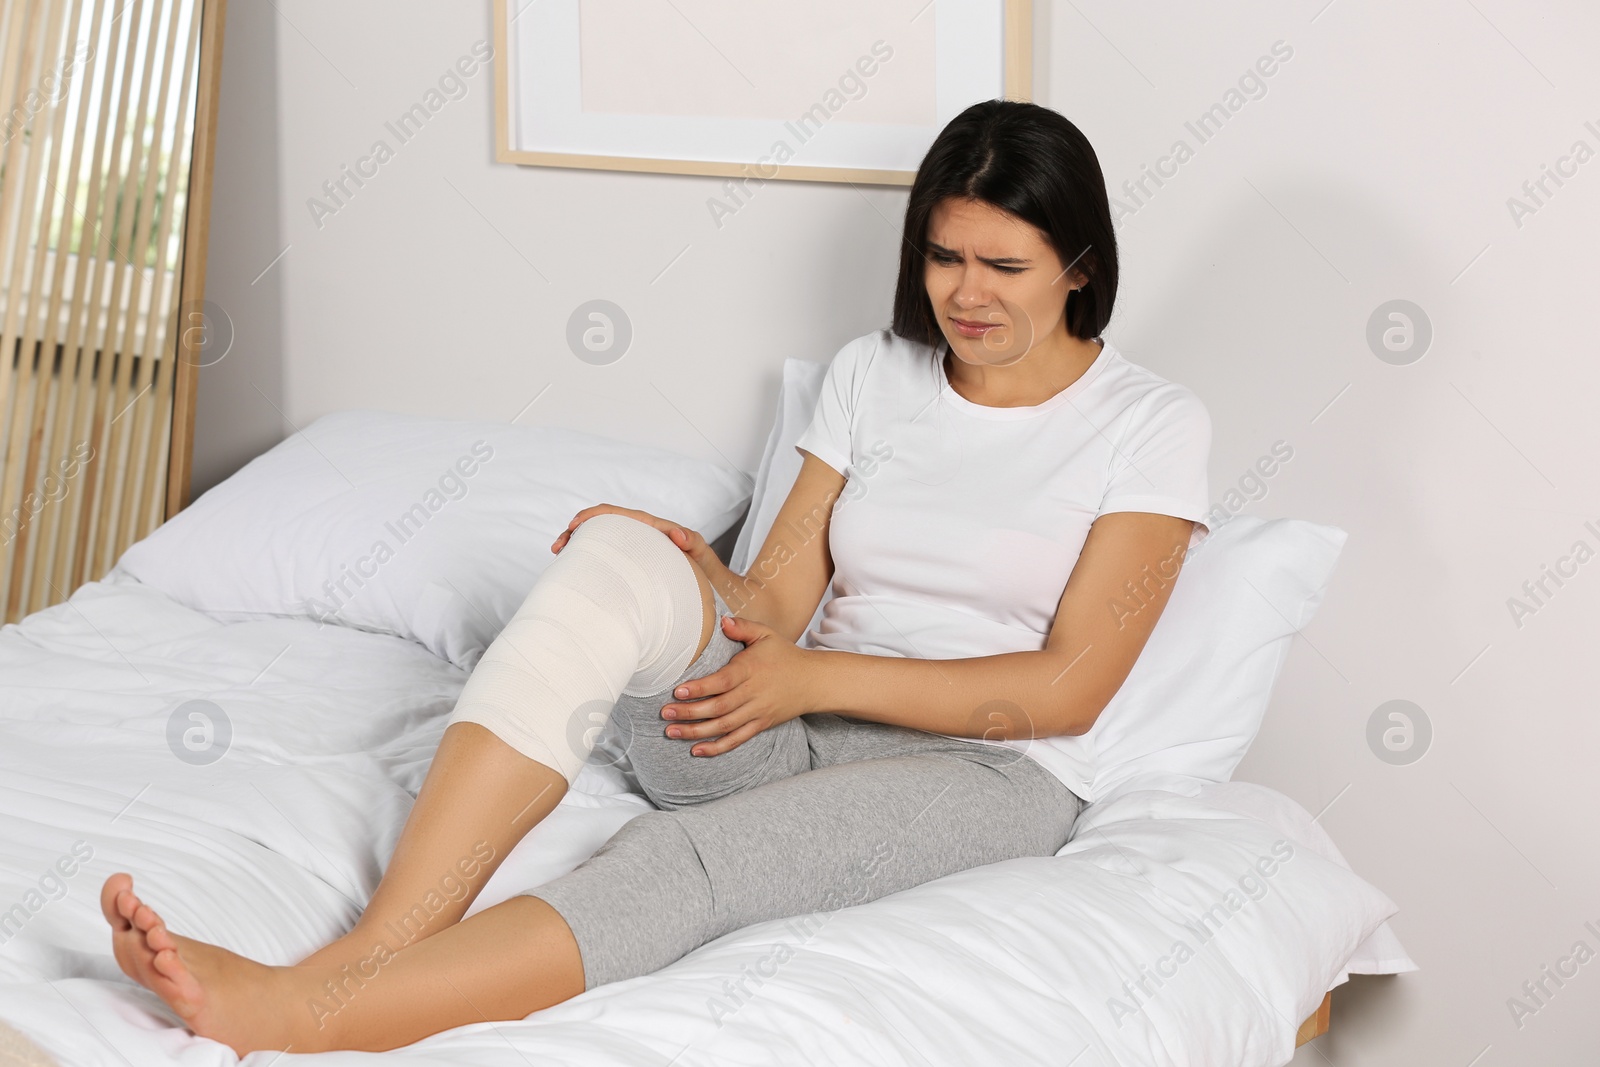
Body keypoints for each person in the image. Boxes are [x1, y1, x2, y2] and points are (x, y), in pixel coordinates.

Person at [99, 98, 1211, 1054]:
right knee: (621, 556)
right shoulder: (877, 373)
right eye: (943, 256)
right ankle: (381, 942)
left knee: (676, 857)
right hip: (788, 707)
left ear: (1077, 265)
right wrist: (682, 562)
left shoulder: (1146, 426)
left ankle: (305, 1012)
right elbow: (774, 603)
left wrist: (812, 681)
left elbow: (1068, 684)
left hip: (985, 767)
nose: (965, 295)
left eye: (1002, 266)